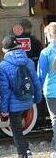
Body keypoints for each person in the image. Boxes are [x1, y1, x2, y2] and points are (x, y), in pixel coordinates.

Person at [0, 35, 42, 158]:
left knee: (16, 130)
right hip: (27, 101)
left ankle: (23, 154)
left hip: (14, 105)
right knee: (20, 128)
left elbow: (4, 91)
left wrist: (4, 110)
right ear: (18, 46)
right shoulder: (29, 62)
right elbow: (36, 81)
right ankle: (26, 149)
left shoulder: (3, 65)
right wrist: (37, 99)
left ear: (4, 50)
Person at [37, 22, 56, 155]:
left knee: (55, 119)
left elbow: (41, 75)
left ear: (49, 36)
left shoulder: (46, 52)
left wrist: (36, 91)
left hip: (51, 91)